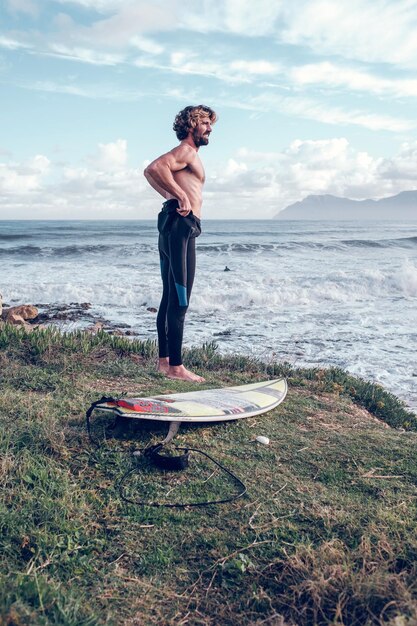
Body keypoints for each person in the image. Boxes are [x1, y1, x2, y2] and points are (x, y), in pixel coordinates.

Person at [144, 105, 217, 382]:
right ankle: (176, 367)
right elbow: (154, 168)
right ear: (192, 124)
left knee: (169, 296)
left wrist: (172, 195)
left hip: (172, 223)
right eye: (206, 123)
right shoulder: (186, 152)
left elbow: (151, 174)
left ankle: (164, 362)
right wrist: (180, 196)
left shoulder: (188, 155)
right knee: (181, 298)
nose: (210, 129)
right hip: (181, 227)